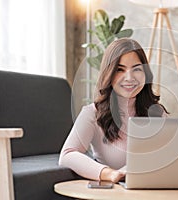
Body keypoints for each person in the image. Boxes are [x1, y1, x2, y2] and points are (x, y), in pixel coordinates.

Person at [59, 38, 168, 183]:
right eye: (120, 70)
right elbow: (67, 155)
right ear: (109, 74)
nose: (129, 78)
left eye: (136, 69)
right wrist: (109, 174)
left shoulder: (157, 113)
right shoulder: (92, 113)